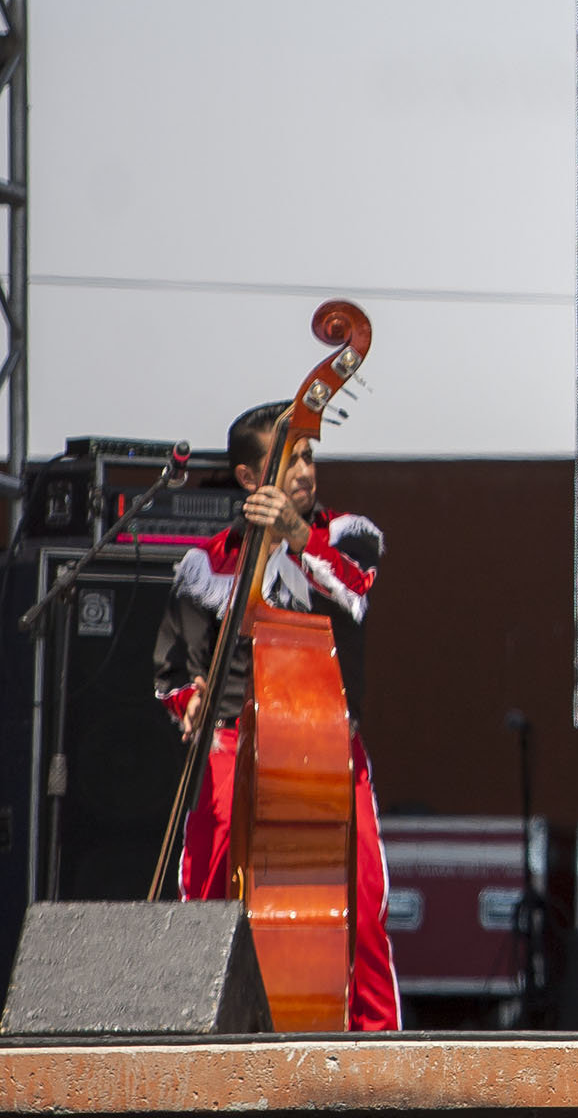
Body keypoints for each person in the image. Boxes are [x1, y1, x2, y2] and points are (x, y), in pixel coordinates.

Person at [155, 401, 399, 1031]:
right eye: (288, 458)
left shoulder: (347, 533)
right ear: (247, 477)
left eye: (309, 455)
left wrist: (295, 531)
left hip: (326, 740)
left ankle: (383, 1051)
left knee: (364, 901)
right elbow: (173, 667)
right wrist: (191, 702)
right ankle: (196, 1032)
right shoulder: (205, 562)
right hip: (235, 740)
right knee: (207, 890)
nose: (304, 470)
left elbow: (356, 588)